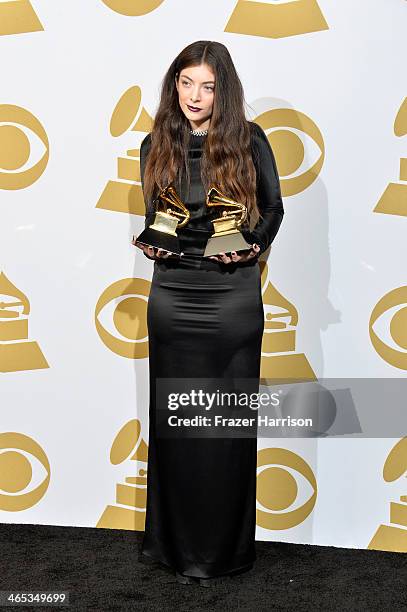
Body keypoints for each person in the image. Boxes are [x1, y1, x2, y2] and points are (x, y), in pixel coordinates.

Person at [132, 40, 284, 587]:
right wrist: (155, 242)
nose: (195, 96)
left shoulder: (250, 140)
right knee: (175, 423)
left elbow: (272, 207)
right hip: (172, 297)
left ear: (225, 91)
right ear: (174, 86)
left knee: (225, 427)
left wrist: (252, 247)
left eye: (208, 86)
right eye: (186, 83)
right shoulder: (154, 144)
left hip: (232, 297)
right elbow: (160, 216)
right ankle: (173, 549)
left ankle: (221, 552)